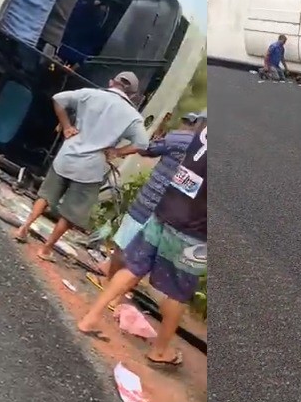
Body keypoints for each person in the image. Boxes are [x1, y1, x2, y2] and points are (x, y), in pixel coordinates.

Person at [78, 124, 207, 367]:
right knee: (178, 291)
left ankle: (90, 317)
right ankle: (160, 351)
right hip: (194, 230)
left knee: (135, 265)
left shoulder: (203, 128)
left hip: (164, 210)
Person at [12, 72, 150, 263]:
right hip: (91, 168)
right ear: (133, 95)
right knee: (71, 212)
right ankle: (46, 249)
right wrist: (117, 152)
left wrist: (67, 126)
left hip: (67, 155)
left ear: (111, 82)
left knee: (46, 195)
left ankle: (24, 227)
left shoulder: (89, 94)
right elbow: (142, 144)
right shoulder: (133, 116)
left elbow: (58, 99)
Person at [96, 110, 207, 291]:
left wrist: (118, 151)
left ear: (197, 124)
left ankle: (109, 285)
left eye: (190, 122)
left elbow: (147, 149)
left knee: (122, 246)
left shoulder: (180, 139)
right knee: (142, 257)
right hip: (171, 214)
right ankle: (119, 288)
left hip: (148, 203)